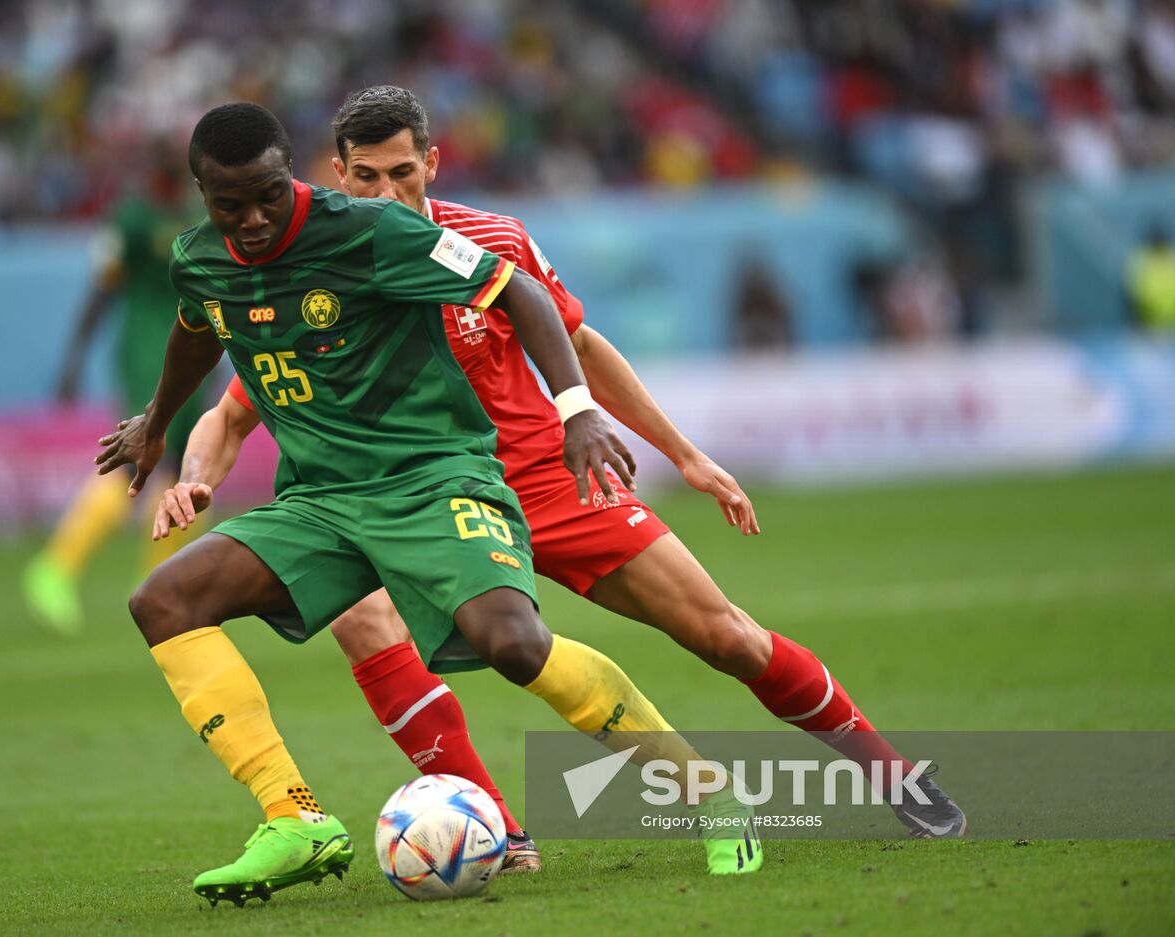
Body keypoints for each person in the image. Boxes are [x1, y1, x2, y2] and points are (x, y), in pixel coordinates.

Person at [149, 86, 966, 851]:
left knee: (724, 636)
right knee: (366, 623)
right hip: (398, 497)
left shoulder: (490, 241)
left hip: (542, 478)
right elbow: (234, 409)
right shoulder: (308, 261)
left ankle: (889, 772)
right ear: (336, 174)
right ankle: (496, 835)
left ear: (432, 164)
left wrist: (681, 453)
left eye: (403, 173)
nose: (386, 193)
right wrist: (199, 476)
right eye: (367, 177)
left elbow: (575, 343)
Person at [96, 102, 741, 907]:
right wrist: (158, 426)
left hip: (436, 480)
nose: (253, 218)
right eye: (231, 205)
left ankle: (706, 791)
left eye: (268, 194)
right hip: (323, 501)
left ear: (292, 170)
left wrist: (577, 411)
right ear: (202, 194)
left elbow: (523, 298)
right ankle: (293, 818)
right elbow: (198, 326)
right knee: (164, 599)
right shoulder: (198, 257)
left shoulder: (370, 231)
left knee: (512, 643)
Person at [22, 138, 212, 636]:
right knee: (137, 457)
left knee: (180, 471)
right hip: (148, 354)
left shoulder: (200, 211)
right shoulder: (130, 219)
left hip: (197, 352)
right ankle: (55, 568)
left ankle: (157, 586)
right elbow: (102, 289)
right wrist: (74, 358)